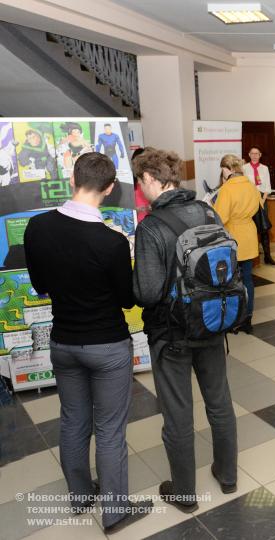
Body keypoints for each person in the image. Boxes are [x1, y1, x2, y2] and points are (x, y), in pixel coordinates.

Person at [23, 152, 152, 533]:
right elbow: (127, 299)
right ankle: (115, 512)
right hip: (107, 346)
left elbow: (40, 285)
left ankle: (80, 496)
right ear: (110, 189)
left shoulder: (37, 227)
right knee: (110, 430)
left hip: (63, 342)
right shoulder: (110, 241)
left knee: (72, 420)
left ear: (72, 180)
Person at [133, 147, 238, 513]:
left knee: (178, 413)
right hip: (212, 321)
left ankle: (184, 493)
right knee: (219, 401)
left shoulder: (150, 226)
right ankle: (227, 476)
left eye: (139, 182)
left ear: (149, 179)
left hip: (172, 334)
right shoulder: (207, 210)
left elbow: (146, 292)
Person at [214, 154, 262, 333]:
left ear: (229, 169)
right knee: (247, 278)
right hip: (249, 233)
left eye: (223, 170)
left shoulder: (227, 189)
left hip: (232, 236)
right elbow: (258, 207)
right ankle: (248, 318)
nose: (223, 173)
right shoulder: (250, 185)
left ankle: (235, 319)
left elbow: (221, 217)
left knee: (231, 281)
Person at [243, 146, 275, 265]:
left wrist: (262, 200)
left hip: (262, 198)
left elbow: (267, 185)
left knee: (264, 228)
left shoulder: (264, 168)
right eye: (252, 153)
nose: (254, 155)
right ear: (249, 154)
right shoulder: (244, 168)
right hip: (249, 199)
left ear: (260, 155)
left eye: (256, 153)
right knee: (251, 228)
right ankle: (252, 257)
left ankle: (268, 256)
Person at [131, 147, 149, 223]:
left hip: (152, 222)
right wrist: (136, 210)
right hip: (137, 223)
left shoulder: (151, 180)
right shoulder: (130, 182)